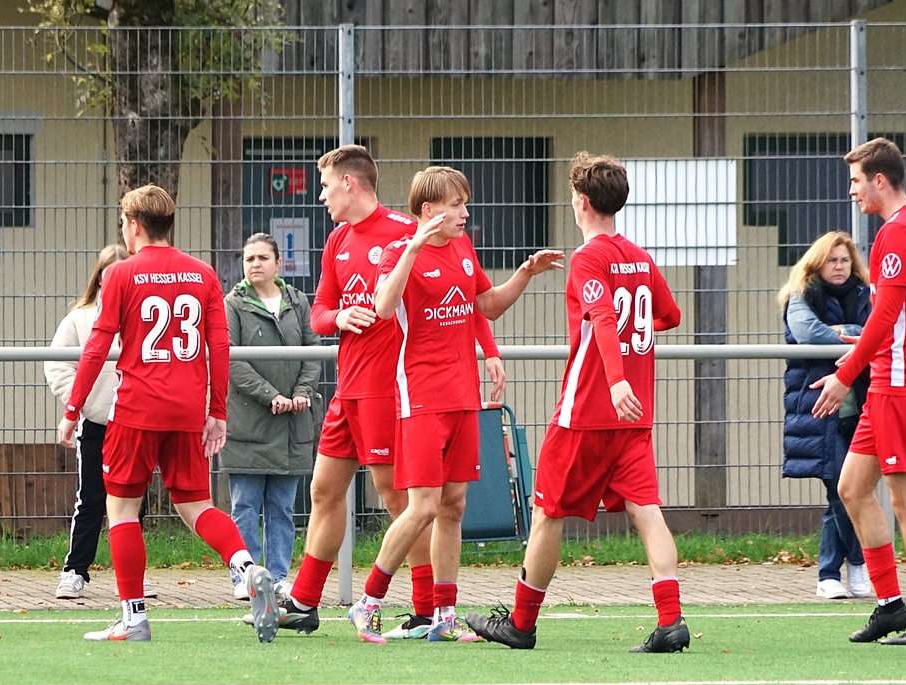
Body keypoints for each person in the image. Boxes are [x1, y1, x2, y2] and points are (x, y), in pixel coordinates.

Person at [275, 145, 506, 639]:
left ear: (350, 183)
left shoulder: (408, 231)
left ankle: (425, 610)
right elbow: (319, 313)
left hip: (389, 387)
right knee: (323, 490)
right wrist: (340, 316)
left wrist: (488, 350)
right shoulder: (337, 240)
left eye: (326, 185)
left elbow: (462, 293)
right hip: (348, 387)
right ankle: (304, 602)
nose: (321, 196)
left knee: (401, 501)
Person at [466, 152, 685, 653]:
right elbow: (669, 315)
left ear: (581, 202)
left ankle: (521, 624)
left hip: (586, 412)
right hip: (634, 416)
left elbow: (603, 317)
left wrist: (614, 380)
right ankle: (671, 620)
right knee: (647, 511)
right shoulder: (639, 256)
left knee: (547, 512)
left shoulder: (588, 257)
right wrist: (631, 349)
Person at [57, 184, 279, 643]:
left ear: (134, 225)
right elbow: (220, 346)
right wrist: (217, 410)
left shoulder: (122, 274)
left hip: (136, 408)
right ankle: (246, 567)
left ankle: (134, 617)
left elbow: (97, 347)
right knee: (197, 505)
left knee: (122, 508)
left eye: (124, 223)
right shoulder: (202, 273)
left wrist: (73, 407)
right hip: (188, 409)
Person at [351, 165, 563, 644]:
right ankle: (369, 601)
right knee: (422, 507)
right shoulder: (399, 251)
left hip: (462, 396)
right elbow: (383, 308)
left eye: (465, 203)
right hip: (421, 396)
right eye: (457, 204)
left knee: (453, 506)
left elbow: (486, 305)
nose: (466, 212)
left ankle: (444, 616)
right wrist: (412, 248)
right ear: (429, 211)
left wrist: (525, 273)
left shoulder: (463, 247)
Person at [812, 138, 906, 645]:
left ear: (878, 180)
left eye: (855, 181)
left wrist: (845, 373)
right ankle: (891, 606)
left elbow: (888, 314)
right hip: (899, 375)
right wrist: (873, 348)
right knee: (852, 488)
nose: (851, 191)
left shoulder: (897, 232)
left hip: (901, 383)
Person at [221, 233, 322, 602]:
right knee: (245, 506)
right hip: (249, 423)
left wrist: (301, 393)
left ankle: (278, 577)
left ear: (279, 263)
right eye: (249, 259)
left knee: (282, 507)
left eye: (263, 258)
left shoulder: (298, 301)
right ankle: (246, 576)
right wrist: (270, 395)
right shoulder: (233, 304)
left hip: (292, 423)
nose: (255, 264)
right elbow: (231, 358)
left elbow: (313, 350)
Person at [45, 245, 145, 599]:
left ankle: (132, 575)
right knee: (90, 498)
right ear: (99, 277)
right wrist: (82, 402)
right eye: (109, 271)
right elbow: (57, 365)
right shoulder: (80, 319)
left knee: (133, 501)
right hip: (97, 422)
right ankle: (74, 570)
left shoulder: (143, 314)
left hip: (135, 422)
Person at [778, 231, 872, 600]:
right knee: (839, 489)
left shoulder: (865, 294)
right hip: (820, 407)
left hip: (862, 407)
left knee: (854, 490)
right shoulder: (802, 294)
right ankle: (845, 567)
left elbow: (882, 331)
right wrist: (859, 337)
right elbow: (808, 333)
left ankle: (839, 570)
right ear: (817, 263)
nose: (839, 266)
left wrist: (847, 332)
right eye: (832, 260)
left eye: (845, 260)